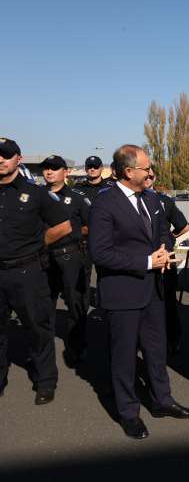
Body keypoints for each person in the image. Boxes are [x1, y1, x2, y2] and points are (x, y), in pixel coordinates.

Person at [89, 144, 189, 439]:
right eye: (146, 168)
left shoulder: (151, 198)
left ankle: (162, 400)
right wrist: (148, 261)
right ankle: (128, 413)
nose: (151, 172)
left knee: (156, 350)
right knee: (124, 356)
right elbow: (100, 252)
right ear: (128, 171)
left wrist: (164, 250)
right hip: (123, 292)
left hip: (154, 291)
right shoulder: (105, 203)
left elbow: (162, 233)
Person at [0, 138, 71, 404]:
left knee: (38, 329)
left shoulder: (36, 193)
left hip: (27, 272)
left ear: (18, 159)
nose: (0, 160)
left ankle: (45, 382)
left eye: (6, 155)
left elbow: (63, 226)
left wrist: (37, 244)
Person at [41, 155, 91, 366]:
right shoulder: (37, 196)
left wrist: (73, 232)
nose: (49, 172)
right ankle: (43, 352)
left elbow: (91, 225)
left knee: (75, 303)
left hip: (70, 256)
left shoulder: (77, 198)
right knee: (43, 306)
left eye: (54, 168)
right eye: (46, 168)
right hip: (43, 258)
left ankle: (76, 347)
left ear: (66, 172)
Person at [143, 171, 189, 355]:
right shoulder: (130, 201)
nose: (147, 179)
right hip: (143, 260)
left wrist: (170, 239)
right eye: (145, 175)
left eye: (151, 176)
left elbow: (183, 226)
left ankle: (173, 339)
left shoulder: (164, 201)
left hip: (166, 260)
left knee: (168, 303)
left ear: (155, 178)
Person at [73, 155, 115, 310]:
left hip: (105, 240)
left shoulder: (111, 188)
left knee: (106, 276)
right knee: (83, 278)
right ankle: (82, 311)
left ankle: (105, 307)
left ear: (101, 169)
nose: (92, 169)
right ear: (85, 169)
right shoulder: (77, 189)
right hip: (84, 241)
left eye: (95, 167)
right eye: (89, 167)